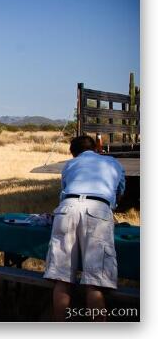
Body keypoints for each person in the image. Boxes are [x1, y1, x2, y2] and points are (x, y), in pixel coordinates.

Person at [43, 135, 126, 321]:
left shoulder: (70, 165)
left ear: (73, 153)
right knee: (94, 282)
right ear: (96, 149)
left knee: (61, 278)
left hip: (67, 208)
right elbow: (120, 190)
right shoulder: (112, 162)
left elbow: (63, 192)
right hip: (98, 209)